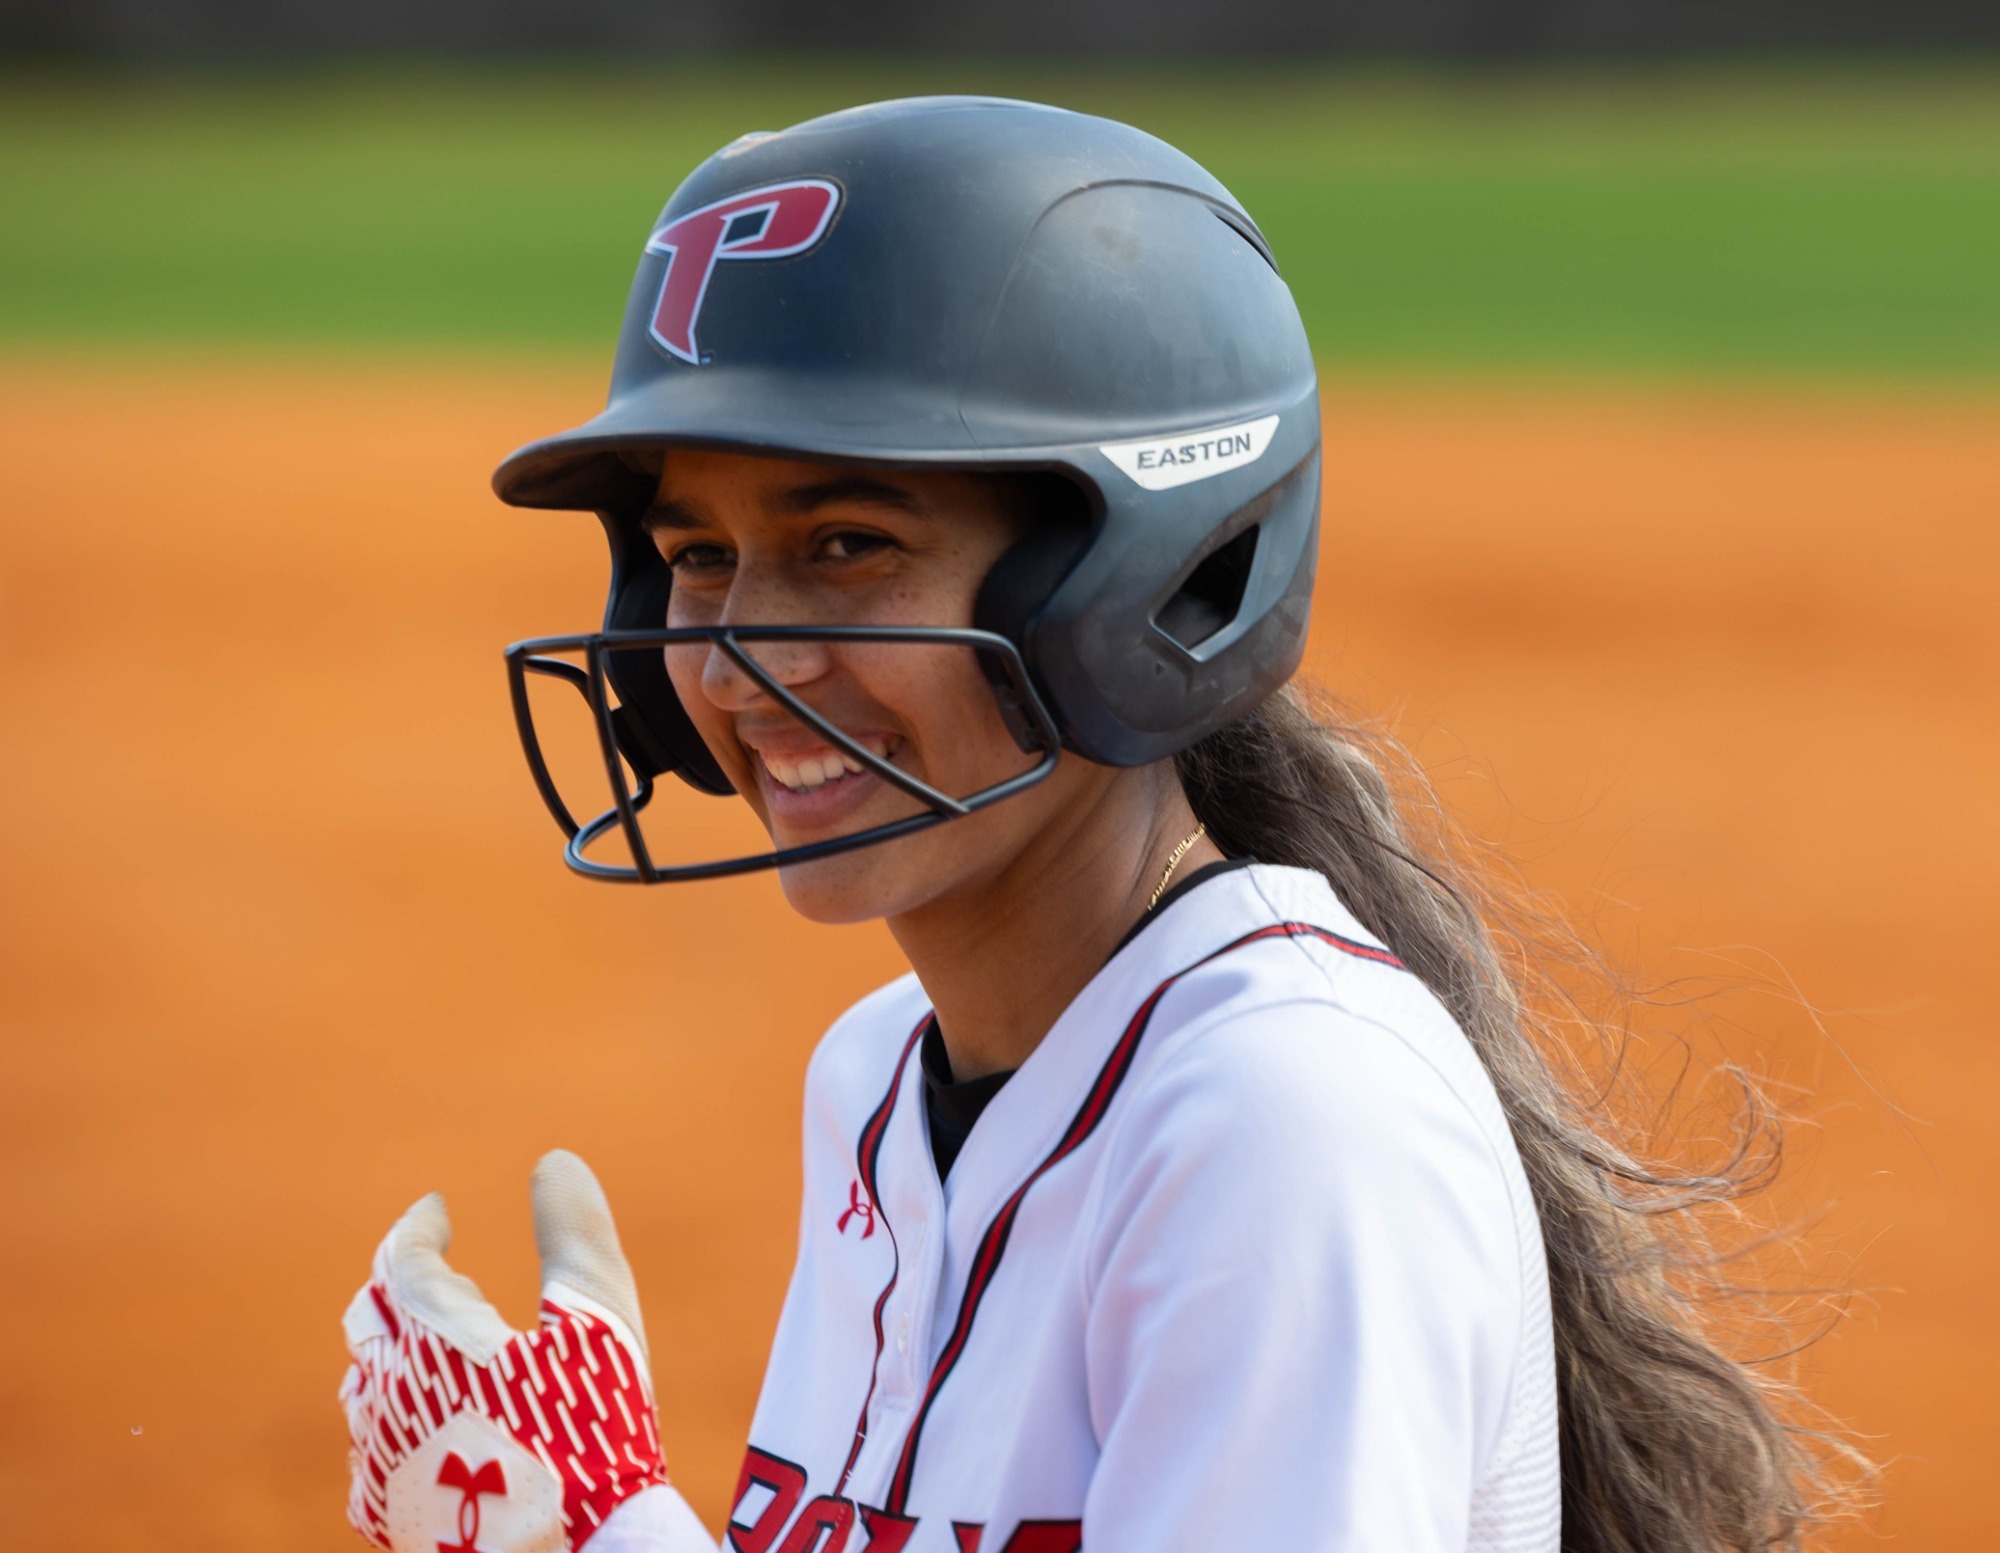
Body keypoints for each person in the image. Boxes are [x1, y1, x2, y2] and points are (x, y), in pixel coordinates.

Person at [338, 98, 1843, 1553]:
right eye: (697, 553)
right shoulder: (877, 1086)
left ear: (1150, 578)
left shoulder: (1283, 1122)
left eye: (847, 544)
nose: (742, 656)